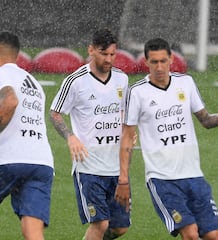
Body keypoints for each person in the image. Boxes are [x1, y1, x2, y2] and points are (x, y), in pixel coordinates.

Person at [115, 38, 218, 240]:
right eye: (154, 62)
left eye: (163, 61)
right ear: (146, 62)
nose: (159, 67)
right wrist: (123, 179)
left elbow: (205, 120)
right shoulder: (137, 92)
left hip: (193, 175)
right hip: (162, 179)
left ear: (171, 59)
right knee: (190, 234)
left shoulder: (185, 83)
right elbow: (127, 138)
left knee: (213, 235)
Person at [49, 29, 130, 240]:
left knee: (120, 227)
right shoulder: (75, 82)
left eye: (113, 54)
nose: (109, 59)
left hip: (115, 167)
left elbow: (123, 112)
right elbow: (55, 113)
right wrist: (70, 136)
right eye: (104, 54)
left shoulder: (122, 79)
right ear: (91, 50)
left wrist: (128, 131)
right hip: (88, 168)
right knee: (100, 223)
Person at [0, 31, 54, 240]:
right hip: (40, 163)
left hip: (8, 159)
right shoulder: (33, 82)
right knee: (33, 232)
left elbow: (10, 101)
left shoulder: (2, 74)